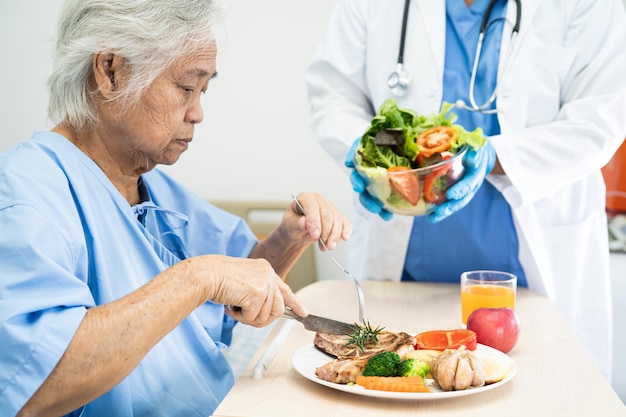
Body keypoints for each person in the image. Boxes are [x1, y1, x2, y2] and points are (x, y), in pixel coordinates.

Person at [0, 0, 352, 416]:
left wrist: (289, 237)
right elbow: (34, 385)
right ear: (110, 71)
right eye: (187, 87)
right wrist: (197, 277)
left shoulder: (151, 185)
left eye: (204, 91)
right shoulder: (27, 193)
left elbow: (241, 284)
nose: (198, 112)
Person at [306, 0, 626, 380]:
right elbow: (333, 94)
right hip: (405, 276)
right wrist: (367, 152)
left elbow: (601, 117)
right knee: (402, 379)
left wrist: (495, 155)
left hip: (536, 279)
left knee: (546, 389)